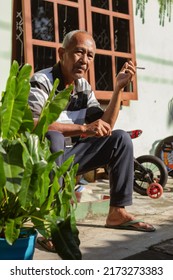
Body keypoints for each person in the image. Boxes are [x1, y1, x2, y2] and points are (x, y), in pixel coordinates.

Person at [29, 30, 155, 251]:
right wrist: (83, 128)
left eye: (90, 55)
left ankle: (117, 212)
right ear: (62, 53)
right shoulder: (42, 80)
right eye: (79, 52)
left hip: (71, 156)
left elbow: (104, 127)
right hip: (42, 159)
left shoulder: (83, 87)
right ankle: (54, 223)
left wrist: (118, 88)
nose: (84, 61)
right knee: (54, 137)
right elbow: (32, 123)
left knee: (120, 139)